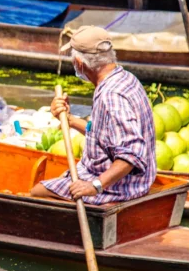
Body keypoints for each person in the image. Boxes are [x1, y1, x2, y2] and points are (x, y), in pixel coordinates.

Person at [30, 26, 156, 204]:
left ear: (80, 63)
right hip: (128, 179)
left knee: (37, 192)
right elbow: (103, 135)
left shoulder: (110, 96)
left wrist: (95, 185)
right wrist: (69, 119)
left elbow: (131, 154)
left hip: (123, 186)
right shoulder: (125, 77)